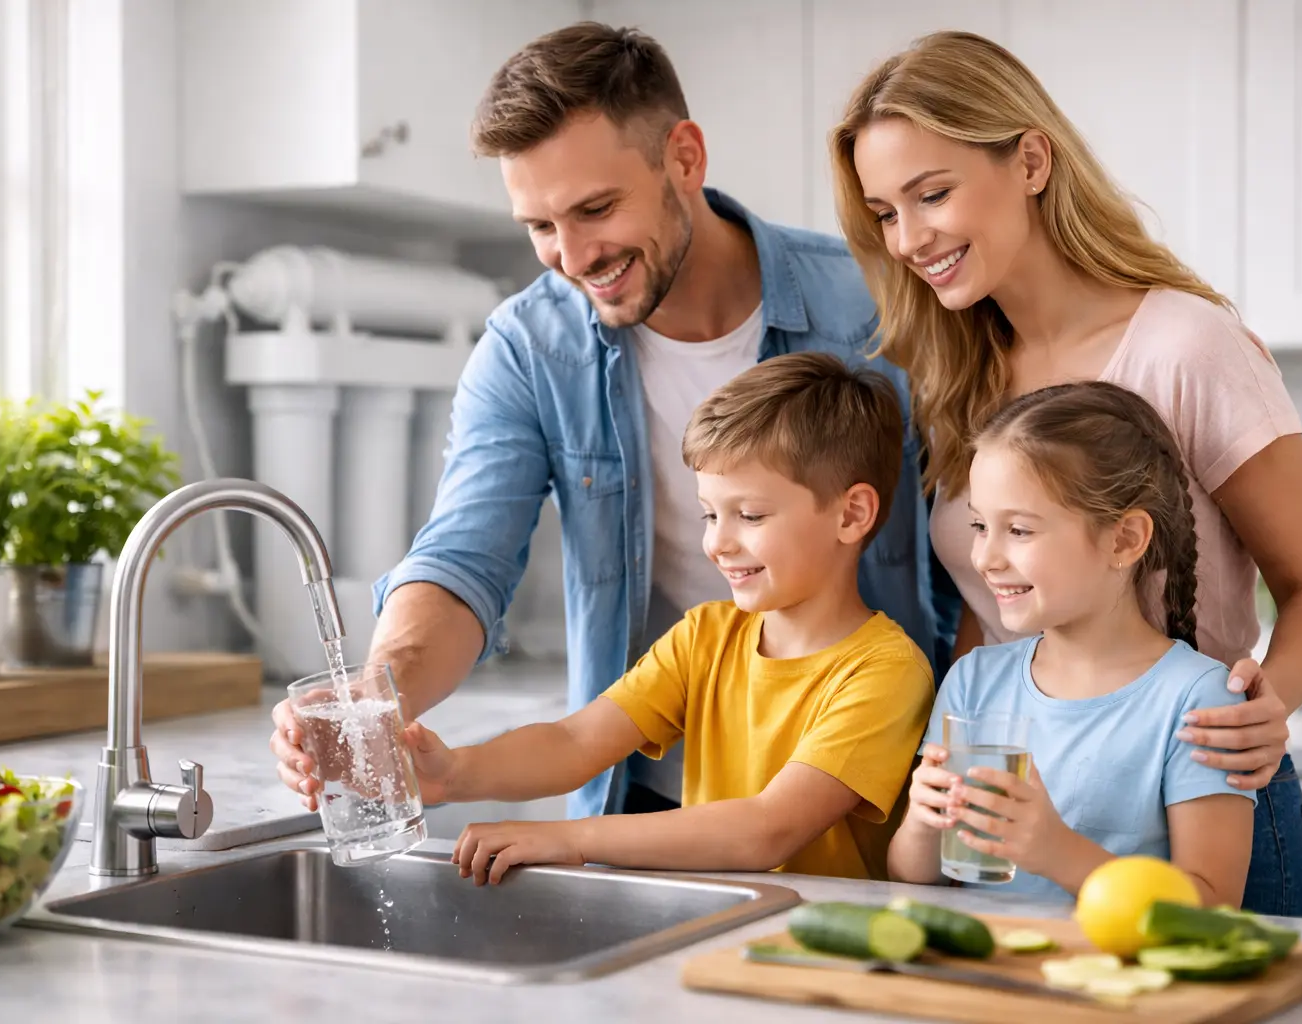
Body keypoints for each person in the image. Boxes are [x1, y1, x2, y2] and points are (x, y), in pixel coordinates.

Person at [270, 22, 946, 823]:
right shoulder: (529, 348)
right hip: (652, 799)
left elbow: (982, 548)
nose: (573, 254)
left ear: (684, 159)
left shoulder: (880, 307)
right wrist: (375, 695)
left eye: (596, 208)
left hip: (884, 803)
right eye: (540, 226)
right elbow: (463, 560)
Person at [832, 29, 1302, 918]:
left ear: (1031, 160)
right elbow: (985, 621)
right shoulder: (957, 376)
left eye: (933, 194)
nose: (909, 237)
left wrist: (1267, 706)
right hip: (1019, 821)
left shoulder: (1189, 347)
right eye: (885, 212)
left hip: (1198, 802)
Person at [404, 353, 934, 885]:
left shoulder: (886, 672)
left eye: (749, 515)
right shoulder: (705, 635)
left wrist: (571, 837)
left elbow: (768, 829)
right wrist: (453, 774)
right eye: (710, 514)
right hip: (720, 930)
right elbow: (576, 742)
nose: (718, 543)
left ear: (851, 514)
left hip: (817, 954)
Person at [890, 382, 1254, 905]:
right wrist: (923, 827)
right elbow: (910, 877)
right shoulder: (974, 681)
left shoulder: (1198, 699)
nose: (985, 558)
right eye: (978, 525)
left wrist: (1057, 852)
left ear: (1124, 539)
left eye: (1018, 530)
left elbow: (1213, 903)